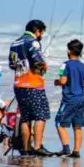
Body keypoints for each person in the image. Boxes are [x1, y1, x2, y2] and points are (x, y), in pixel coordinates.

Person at [8, 19, 52, 156]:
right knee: (41, 116)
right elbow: (37, 60)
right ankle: (38, 147)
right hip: (33, 84)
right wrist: (44, 66)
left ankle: (26, 148)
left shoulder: (15, 43)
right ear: (37, 31)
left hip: (19, 84)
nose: (41, 36)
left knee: (25, 118)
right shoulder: (33, 42)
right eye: (41, 32)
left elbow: (11, 64)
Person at [54, 39, 84, 158]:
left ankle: (65, 148)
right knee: (77, 125)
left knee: (59, 122)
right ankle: (76, 151)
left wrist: (57, 82)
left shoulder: (65, 64)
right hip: (80, 98)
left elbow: (63, 80)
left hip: (69, 98)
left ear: (69, 51)